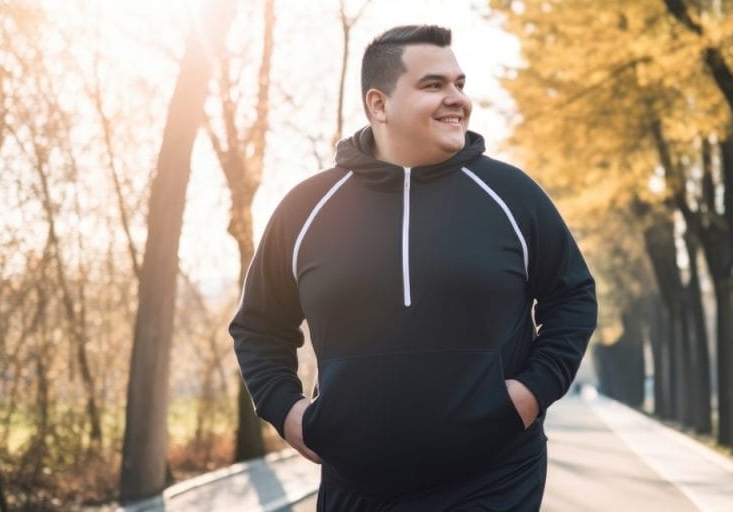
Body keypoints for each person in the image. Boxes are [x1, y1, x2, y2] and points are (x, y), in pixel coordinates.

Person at [230, 24, 597, 511]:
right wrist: (288, 412)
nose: (457, 100)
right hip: (357, 488)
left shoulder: (512, 196)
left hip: (493, 480)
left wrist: (530, 393)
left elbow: (573, 296)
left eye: (459, 84)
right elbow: (258, 326)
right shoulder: (307, 208)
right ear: (378, 105)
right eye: (433, 85)